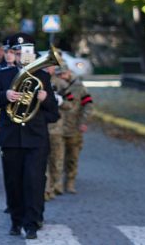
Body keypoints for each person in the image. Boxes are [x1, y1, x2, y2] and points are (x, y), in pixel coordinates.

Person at [0, 33, 59, 240]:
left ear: (32, 54)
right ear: (13, 54)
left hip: (36, 139)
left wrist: (45, 100)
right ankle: (16, 221)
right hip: (11, 139)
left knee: (34, 181)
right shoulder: (2, 75)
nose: (21, 56)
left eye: (26, 52)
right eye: (17, 52)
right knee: (13, 181)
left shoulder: (43, 77)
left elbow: (54, 115)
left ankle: (33, 223)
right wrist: (5, 96)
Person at [56, 66, 93, 194]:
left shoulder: (79, 87)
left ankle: (70, 182)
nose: (62, 76)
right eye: (59, 74)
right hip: (58, 128)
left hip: (74, 127)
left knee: (72, 157)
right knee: (57, 158)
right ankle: (57, 184)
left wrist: (84, 122)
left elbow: (88, 105)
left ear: (69, 73)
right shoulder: (55, 86)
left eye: (63, 74)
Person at [45, 67, 71, 200]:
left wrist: (61, 101)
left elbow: (71, 104)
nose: (47, 68)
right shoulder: (38, 81)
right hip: (42, 128)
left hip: (56, 129)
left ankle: (56, 186)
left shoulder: (62, 84)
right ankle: (46, 190)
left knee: (57, 160)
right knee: (42, 161)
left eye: (50, 66)